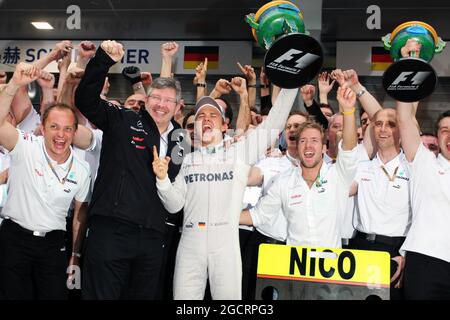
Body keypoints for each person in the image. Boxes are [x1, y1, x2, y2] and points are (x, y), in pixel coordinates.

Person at [153, 83, 298, 299]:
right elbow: (174, 205)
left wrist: (291, 83)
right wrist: (163, 179)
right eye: (201, 116)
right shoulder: (187, 160)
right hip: (190, 245)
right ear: (195, 127)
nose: (207, 118)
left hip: (226, 245)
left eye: (213, 115)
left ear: (224, 126)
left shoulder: (240, 153)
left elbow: (274, 123)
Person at [74, 40, 184, 300]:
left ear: (178, 106)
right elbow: (85, 100)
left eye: (168, 100)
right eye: (155, 97)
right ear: (146, 100)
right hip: (111, 231)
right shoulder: (123, 119)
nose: (161, 104)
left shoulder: (182, 139)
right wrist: (102, 60)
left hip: (154, 238)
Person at [0, 62, 91, 300]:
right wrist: (13, 86)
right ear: (43, 127)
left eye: (67, 129)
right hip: (14, 240)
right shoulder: (25, 145)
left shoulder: (82, 170)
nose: (60, 135)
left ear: (74, 132)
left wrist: (75, 255)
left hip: (53, 246)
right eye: (54, 127)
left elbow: (80, 216)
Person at [240, 86, 358, 249]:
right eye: (303, 141)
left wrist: (349, 111)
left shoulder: (338, 176)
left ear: (323, 145)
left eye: (314, 140)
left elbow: (349, 149)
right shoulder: (283, 181)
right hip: (292, 269)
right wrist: (218, 217)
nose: (308, 146)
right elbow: (258, 215)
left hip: (329, 266)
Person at [349, 108, 411, 299]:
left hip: (393, 252)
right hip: (359, 248)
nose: (383, 129)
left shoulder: (413, 168)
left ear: (402, 129)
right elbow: (339, 192)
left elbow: (424, 216)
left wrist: (406, 254)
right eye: (378, 124)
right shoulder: (362, 167)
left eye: (391, 124)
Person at [397, 100, 450, 299]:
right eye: (444, 130)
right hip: (427, 263)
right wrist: (406, 77)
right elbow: (405, 119)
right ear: (437, 137)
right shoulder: (425, 163)